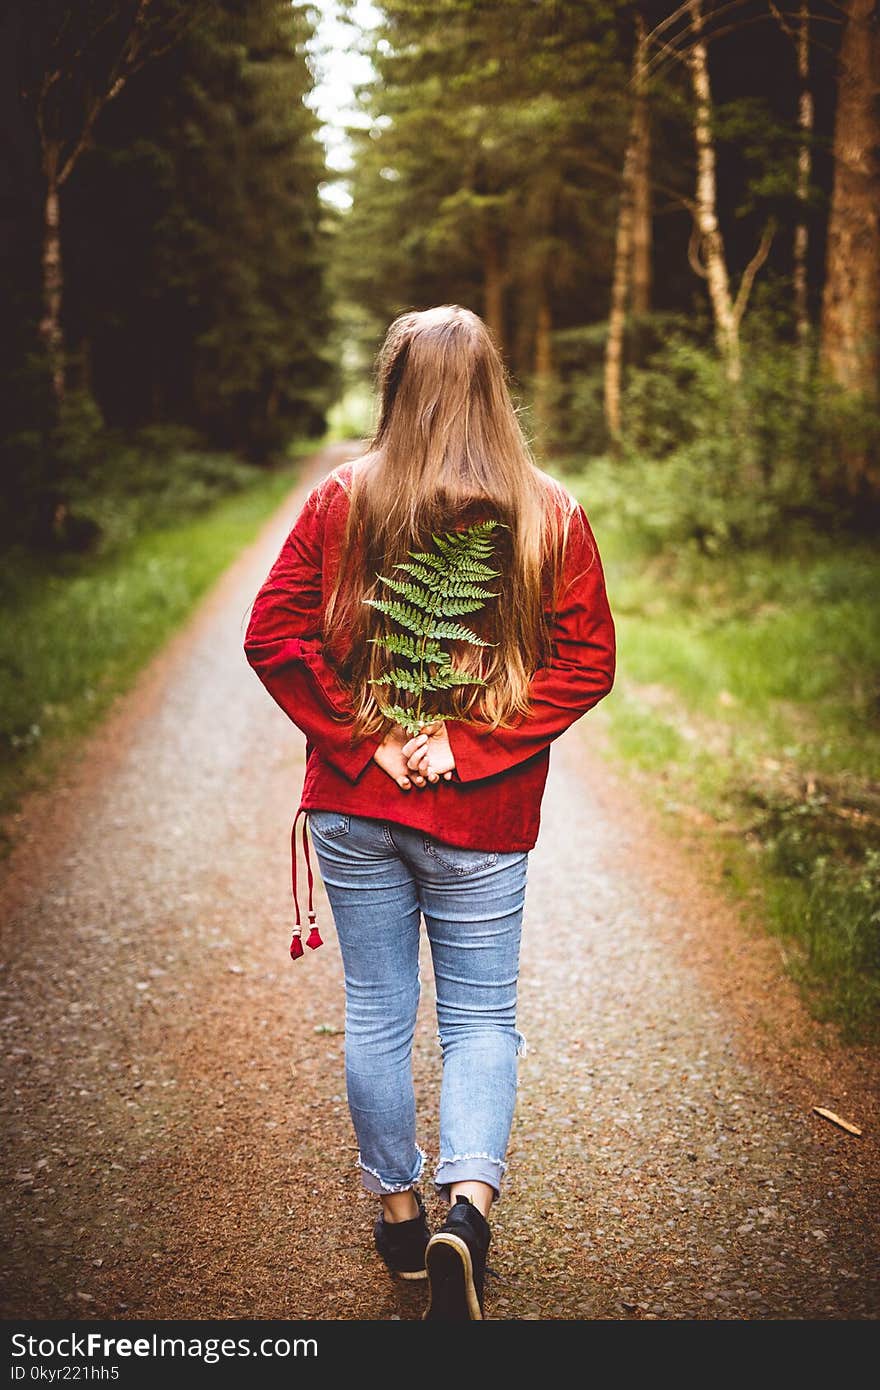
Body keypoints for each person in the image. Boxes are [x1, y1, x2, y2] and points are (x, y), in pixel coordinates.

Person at [244, 304, 616, 1320]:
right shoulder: (549, 511)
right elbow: (589, 660)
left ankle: (403, 1218)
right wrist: (469, 745)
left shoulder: (342, 498)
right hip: (483, 816)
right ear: (493, 389)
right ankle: (470, 1210)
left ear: (396, 388)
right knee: (481, 1017)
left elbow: (272, 634)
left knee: (376, 1011)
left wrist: (361, 739)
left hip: (355, 808)